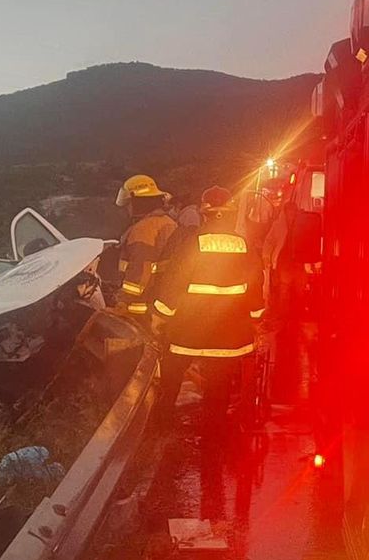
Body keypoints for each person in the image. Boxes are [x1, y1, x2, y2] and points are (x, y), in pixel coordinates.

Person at [150, 186, 266, 422]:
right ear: (232, 214)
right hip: (230, 336)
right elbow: (256, 289)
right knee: (219, 389)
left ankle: (160, 426)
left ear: (205, 213)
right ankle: (215, 437)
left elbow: (174, 282)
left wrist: (160, 316)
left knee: (171, 380)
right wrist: (254, 319)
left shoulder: (192, 243)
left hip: (187, 333)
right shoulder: (244, 246)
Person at [114, 173, 179, 321]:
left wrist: (123, 299)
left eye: (129, 204)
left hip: (141, 309)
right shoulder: (168, 222)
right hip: (162, 304)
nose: (127, 209)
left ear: (138, 202)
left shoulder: (143, 229)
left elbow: (140, 269)